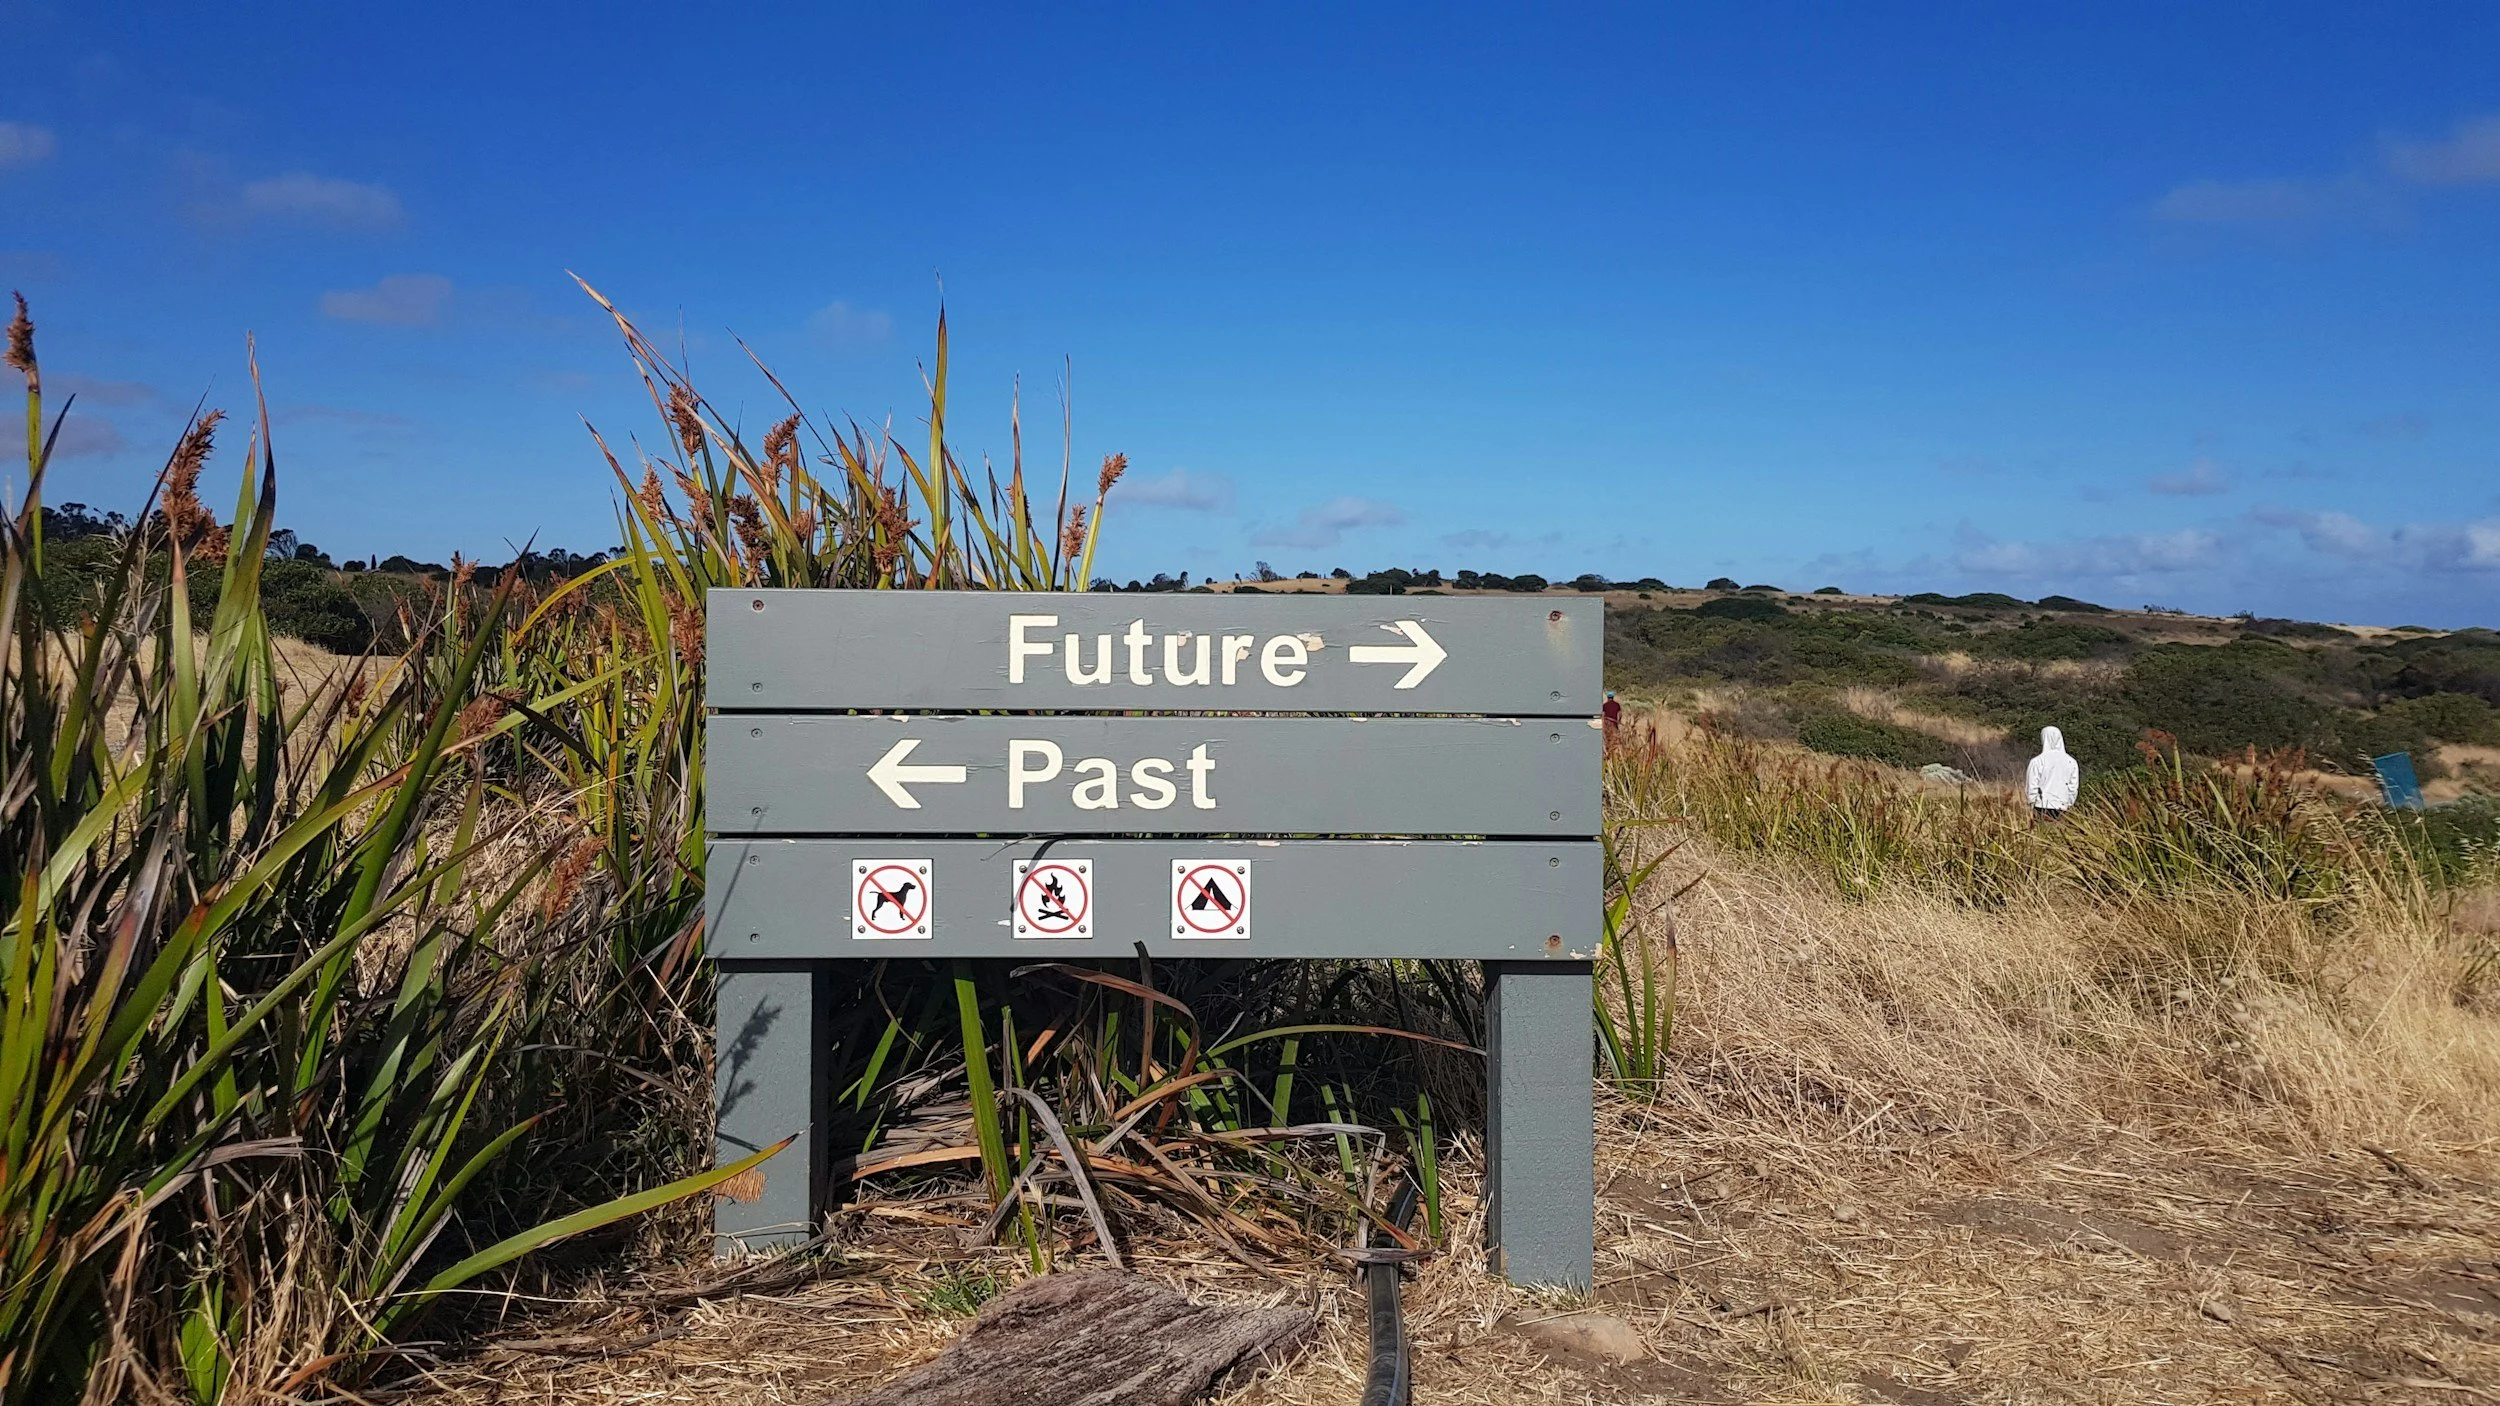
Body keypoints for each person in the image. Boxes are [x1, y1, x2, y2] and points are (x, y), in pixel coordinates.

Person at [2026, 725, 2078, 821]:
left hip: (2041, 805)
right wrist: (2069, 803)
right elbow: (2073, 787)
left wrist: (2031, 802)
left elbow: (2032, 785)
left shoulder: (2037, 761)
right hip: (2062, 806)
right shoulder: (2071, 762)